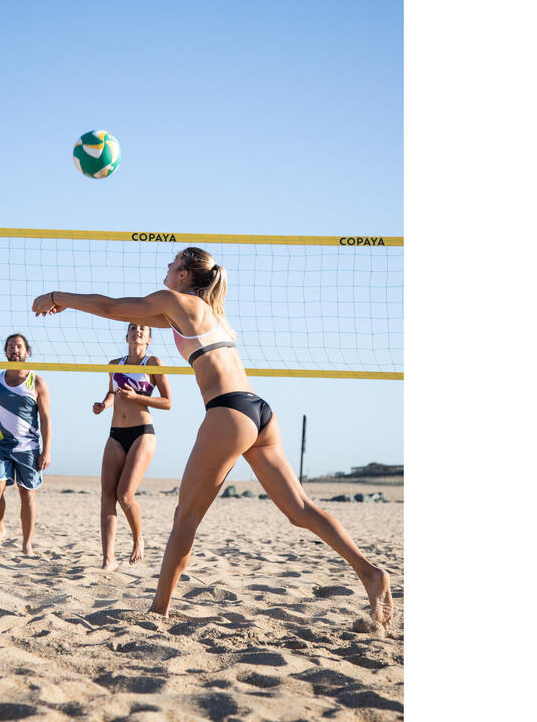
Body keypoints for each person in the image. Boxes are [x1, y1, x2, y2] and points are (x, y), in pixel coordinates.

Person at [32, 249, 393, 625]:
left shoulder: (175, 300)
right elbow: (120, 312)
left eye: (172, 264)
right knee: (299, 510)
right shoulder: (211, 315)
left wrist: (59, 298)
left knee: (185, 517)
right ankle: (369, 572)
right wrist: (71, 307)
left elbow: (110, 307)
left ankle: (158, 611)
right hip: (260, 411)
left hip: (228, 413)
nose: (166, 268)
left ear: (185, 275)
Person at [93, 323, 172, 571]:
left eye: (143, 329)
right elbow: (111, 393)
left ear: (148, 339)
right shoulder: (115, 363)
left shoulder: (153, 363)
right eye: (133, 327)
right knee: (107, 495)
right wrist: (103, 405)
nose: (138, 330)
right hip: (116, 433)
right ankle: (109, 559)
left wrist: (137, 398)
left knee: (125, 495)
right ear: (126, 335)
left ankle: (138, 539)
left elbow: (168, 402)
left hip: (142, 432)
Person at [0, 333, 51, 555]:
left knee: (27, 495)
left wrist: (47, 451)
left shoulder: (37, 381)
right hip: (0, 445)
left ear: (27, 352)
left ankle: (26, 544)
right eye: (11, 347)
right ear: (6, 352)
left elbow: (46, 418)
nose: (15, 350)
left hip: (28, 448)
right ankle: (0, 528)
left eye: (19, 347)